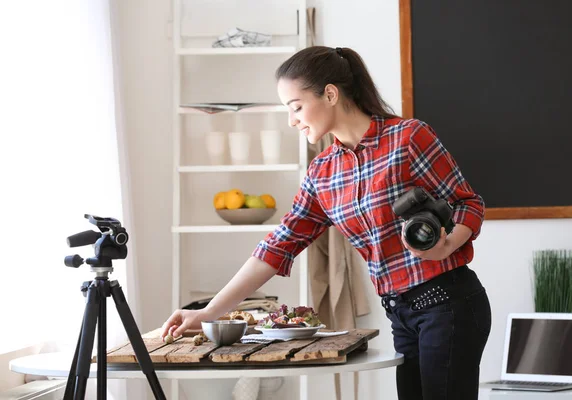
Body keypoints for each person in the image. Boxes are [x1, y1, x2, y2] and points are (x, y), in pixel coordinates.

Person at [161, 46, 490, 400]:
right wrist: (209, 313)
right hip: (401, 314)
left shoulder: (407, 139)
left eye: (296, 107)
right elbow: (278, 244)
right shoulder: (323, 172)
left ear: (330, 94)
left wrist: (447, 245)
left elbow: (468, 202)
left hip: (448, 303)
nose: (292, 120)